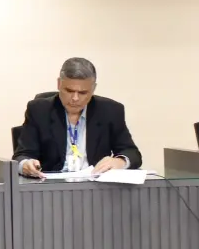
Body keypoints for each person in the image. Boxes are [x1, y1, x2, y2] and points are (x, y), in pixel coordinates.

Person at [14, 57, 142, 178]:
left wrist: (119, 161)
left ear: (93, 89)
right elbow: (21, 155)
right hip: (51, 186)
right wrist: (25, 164)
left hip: (94, 185)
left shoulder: (110, 111)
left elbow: (132, 153)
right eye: (69, 91)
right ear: (59, 84)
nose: (75, 98)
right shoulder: (39, 110)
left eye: (82, 93)